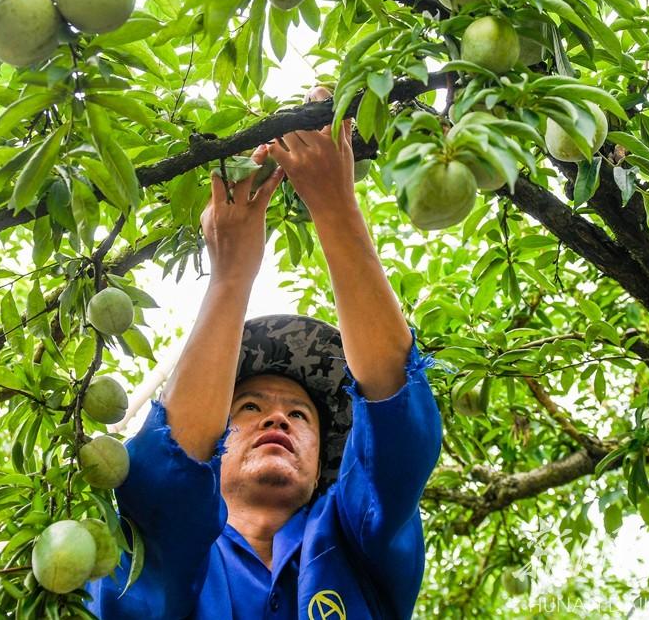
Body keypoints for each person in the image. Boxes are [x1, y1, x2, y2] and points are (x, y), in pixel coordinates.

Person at [87, 88, 442, 619]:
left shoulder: (352, 540)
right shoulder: (150, 554)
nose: (277, 417)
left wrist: (335, 205)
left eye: (300, 414)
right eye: (249, 408)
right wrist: (231, 272)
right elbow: (166, 476)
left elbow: (397, 430)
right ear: (216, 445)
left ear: (325, 454)